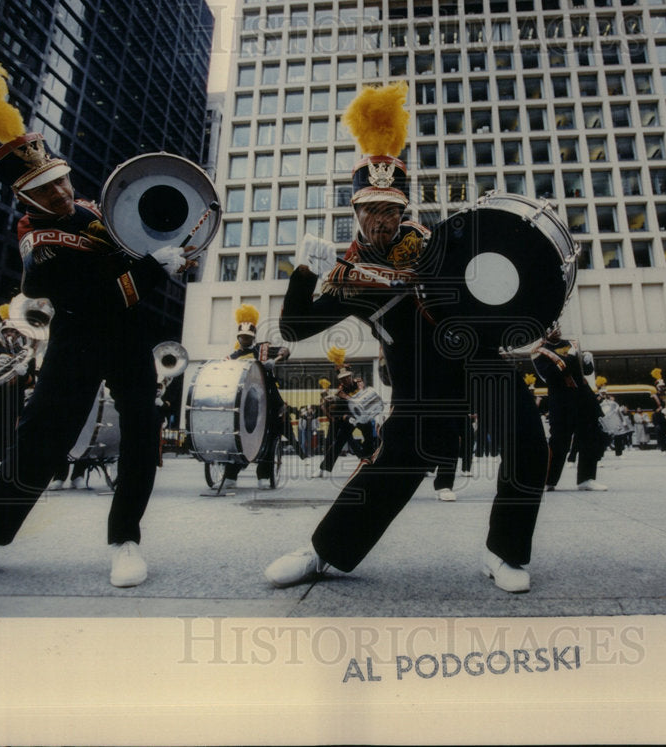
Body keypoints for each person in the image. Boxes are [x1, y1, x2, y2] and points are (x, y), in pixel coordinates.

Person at [0, 47, 193, 587]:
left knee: (143, 431)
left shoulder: (96, 209)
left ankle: (126, 539)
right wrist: (152, 271)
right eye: (46, 187)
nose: (62, 190)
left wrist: (174, 246)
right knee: (42, 436)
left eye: (62, 178)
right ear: (26, 196)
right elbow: (84, 293)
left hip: (131, 335)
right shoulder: (36, 238)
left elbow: (148, 235)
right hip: (80, 337)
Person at [265, 82, 548, 593]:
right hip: (422, 385)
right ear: (356, 210)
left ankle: (504, 553)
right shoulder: (347, 272)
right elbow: (293, 329)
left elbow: (492, 281)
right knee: (396, 467)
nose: (384, 221)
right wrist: (304, 270)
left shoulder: (438, 242)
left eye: (392, 208)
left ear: (404, 207)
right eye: (373, 209)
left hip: (477, 359)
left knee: (529, 440)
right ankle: (322, 552)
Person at [220, 304, 291, 489]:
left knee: (269, 435)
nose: (245, 339)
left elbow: (286, 350)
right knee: (235, 436)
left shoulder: (264, 349)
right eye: (242, 337)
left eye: (248, 337)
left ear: (253, 336)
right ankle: (230, 474)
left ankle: (264, 475)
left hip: (267, 400)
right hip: (242, 403)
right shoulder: (232, 357)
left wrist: (273, 361)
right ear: (238, 337)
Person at [531, 330, 605, 491]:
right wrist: (570, 358)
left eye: (557, 325)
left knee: (589, 438)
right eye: (551, 327)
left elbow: (585, 372)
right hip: (562, 401)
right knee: (559, 441)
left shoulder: (571, 344)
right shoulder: (538, 352)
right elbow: (550, 374)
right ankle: (548, 480)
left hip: (583, 397)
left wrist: (587, 362)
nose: (556, 330)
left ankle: (586, 478)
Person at [649, 368, 666, 454]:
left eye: (663, 386)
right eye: (660, 387)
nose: (662, 388)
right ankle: (663, 448)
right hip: (659, 417)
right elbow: (653, 408)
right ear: (657, 387)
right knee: (661, 433)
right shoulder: (654, 396)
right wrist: (659, 410)